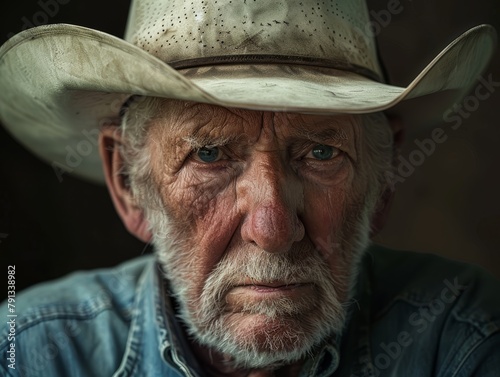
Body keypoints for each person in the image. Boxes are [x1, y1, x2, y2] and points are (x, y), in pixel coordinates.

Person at [0, 0, 499, 376]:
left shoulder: (463, 339)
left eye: (321, 153)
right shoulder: (27, 352)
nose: (274, 228)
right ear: (129, 183)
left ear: (382, 180)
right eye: (210, 154)